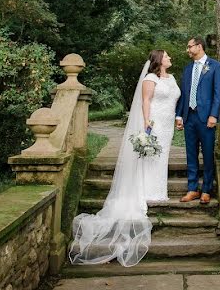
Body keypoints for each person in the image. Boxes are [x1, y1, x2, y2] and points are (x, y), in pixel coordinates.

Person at [68, 49, 180, 266]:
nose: (169, 58)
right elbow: (145, 101)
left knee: (161, 155)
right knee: (150, 155)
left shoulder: (172, 78)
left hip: (168, 124)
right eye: (166, 56)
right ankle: (147, 191)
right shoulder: (149, 79)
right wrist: (147, 122)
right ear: (159, 60)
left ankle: (159, 190)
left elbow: (175, 100)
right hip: (155, 121)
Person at [176, 37, 220, 204]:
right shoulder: (188, 69)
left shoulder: (215, 66)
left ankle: (206, 190)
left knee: (208, 154)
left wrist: (214, 115)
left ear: (199, 46)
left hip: (206, 118)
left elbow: (218, 94)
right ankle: (192, 189)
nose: (187, 50)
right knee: (191, 154)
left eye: (189, 47)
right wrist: (179, 115)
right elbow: (184, 93)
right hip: (189, 117)